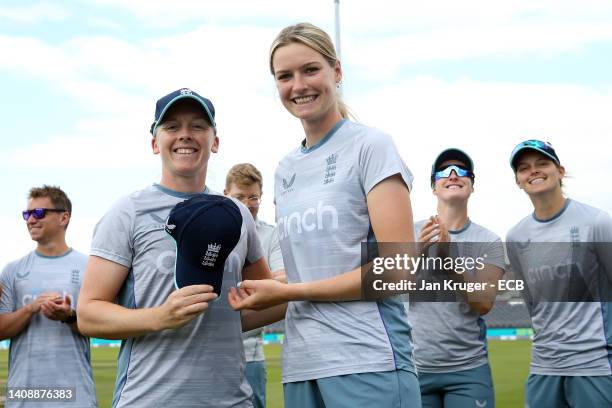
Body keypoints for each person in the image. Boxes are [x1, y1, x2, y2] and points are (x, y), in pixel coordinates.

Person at [229, 23, 421, 408]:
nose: (298, 85)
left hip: (369, 361)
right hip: (301, 367)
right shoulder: (285, 169)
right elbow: (307, 274)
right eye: (285, 76)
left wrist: (290, 289)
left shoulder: (371, 146)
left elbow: (400, 268)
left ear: (337, 71)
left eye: (310, 70)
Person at [76, 88, 278, 408]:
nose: (185, 135)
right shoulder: (127, 213)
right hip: (149, 400)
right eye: (172, 127)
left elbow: (264, 301)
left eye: (198, 125)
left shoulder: (237, 215)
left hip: (232, 401)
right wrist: (160, 317)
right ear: (155, 142)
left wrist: (320, 286)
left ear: (215, 140)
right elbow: (88, 315)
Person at [506, 139, 612, 407]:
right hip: (544, 365)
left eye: (542, 163)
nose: (534, 171)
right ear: (518, 181)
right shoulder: (516, 236)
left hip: (594, 365)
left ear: (560, 171)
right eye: (524, 168)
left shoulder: (597, 222)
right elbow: (531, 301)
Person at [407, 149, 505, 408]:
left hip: (468, 369)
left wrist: (450, 263)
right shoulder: (407, 231)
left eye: (461, 171)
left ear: (472, 186)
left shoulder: (489, 241)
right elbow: (385, 288)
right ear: (434, 187)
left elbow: (483, 303)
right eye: (444, 171)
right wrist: (416, 252)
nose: (453, 175)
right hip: (413, 367)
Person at [0, 185, 97, 407]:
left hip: (75, 397)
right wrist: (30, 309)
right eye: (27, 214)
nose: (31, 220)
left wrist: (69, 316)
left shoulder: (89, 268)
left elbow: (101, 325)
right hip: (23, 398)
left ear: (64, 218)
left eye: (39, 213)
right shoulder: (12, 270)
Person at [224, 163, 285, 408]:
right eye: (239, 197)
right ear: (225, 195)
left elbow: (281, 284)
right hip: (211, 352)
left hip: (251, 355)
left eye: (253, 197)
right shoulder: (211, 232)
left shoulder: (272, 235)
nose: (247, 204)